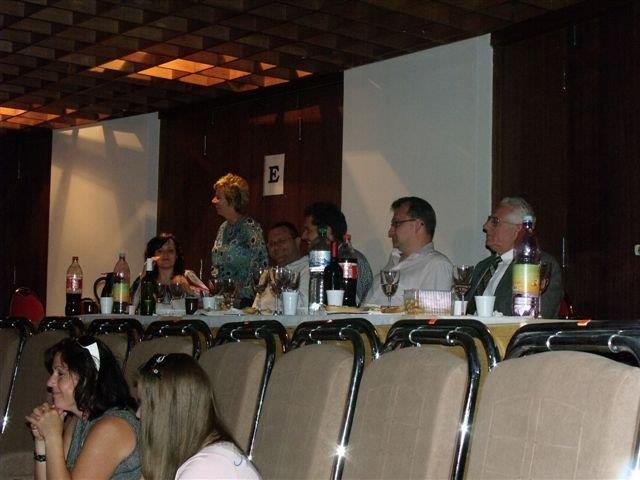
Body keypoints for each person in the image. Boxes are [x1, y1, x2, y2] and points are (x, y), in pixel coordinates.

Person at [26, 336, 140, 480]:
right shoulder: (78, 420)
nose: (50, 382)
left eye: (60, 373)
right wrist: (42, 441)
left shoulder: (112, 428)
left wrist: (53, 436)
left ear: (88, 377)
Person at [136, 353, 261, 480]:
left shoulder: (204, 469)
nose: (138, 414)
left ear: (169, 413)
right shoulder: (208, 456)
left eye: (143, 403)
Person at [465, 197, 563, 317]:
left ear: (519, 230)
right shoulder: (483, 266)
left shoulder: (538, 265)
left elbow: (537, 316)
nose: (486, 226)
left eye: (495, 221)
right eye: (489, 220)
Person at [366, 196, 453, 305]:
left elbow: (431, 313)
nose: (390, 232)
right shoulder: (394, 259)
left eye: (396, 223)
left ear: (417, 226)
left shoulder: (437, 265)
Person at [211, 173, 268, 307]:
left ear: (231, 200)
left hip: (246, 302)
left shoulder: (251, 228)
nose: (213, 201)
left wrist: (244, 293)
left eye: (218, 197)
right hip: (223, 301)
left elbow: (261, 267)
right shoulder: (223, 228)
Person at [301, 201, 373, 304]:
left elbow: (359, 303)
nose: (303, 236)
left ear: (327, 231)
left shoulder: (350, 260)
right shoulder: (317, 259)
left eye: (308, 230)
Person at [130, 233, 206, 309]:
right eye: (160, 251)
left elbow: (208, 303)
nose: (165, 254)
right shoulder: (144, 279)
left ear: (176, 255)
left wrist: (187, 288)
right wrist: (143, 278)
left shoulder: (188, 276)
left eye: (170, 251)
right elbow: (131, 306)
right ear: (153, 256)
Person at [252, 222, 310, 312]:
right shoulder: (267, 274)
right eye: (271, 244)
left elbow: (304, 309)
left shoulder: (308, 269)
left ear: (297, 242)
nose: (276, 247)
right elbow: (255, 309)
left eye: (281, 241)